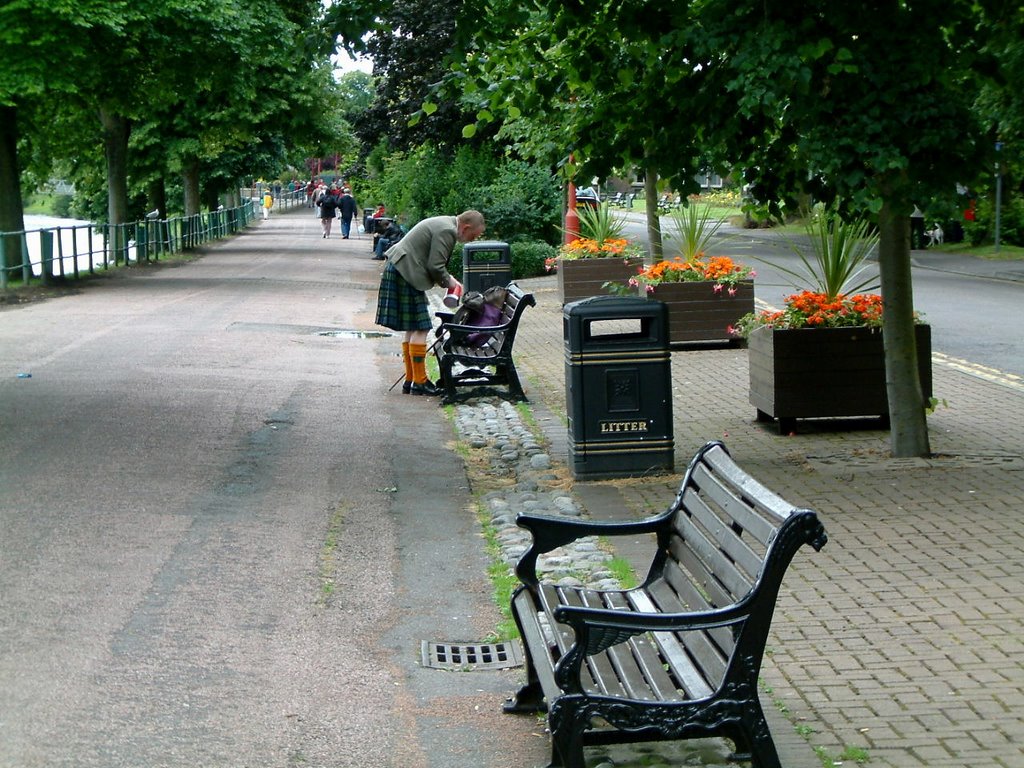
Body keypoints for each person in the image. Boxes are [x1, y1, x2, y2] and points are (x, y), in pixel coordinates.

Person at [375, 210, 485, 396]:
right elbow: (435, 266)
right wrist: (452, 283)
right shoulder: (447, 230)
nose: (472, 240)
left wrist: (449, 281)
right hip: (406, 272)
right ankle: (419, 382)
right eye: (473, 235)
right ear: (466, 227)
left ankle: (411, 380)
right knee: (421, 327)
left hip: (401, 269)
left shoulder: (445, 223)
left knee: (413, 327)